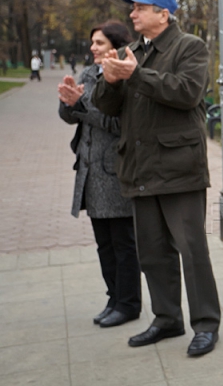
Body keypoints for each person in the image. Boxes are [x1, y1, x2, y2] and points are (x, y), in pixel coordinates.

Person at [92, 0, 222, 357]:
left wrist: (135, 75)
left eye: (140, 8)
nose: (132, 14)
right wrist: (111, 80)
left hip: (179, 167)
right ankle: (167, 318)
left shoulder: (190, 47)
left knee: (191, 250)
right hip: (140, 167)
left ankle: (206, 325)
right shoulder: (133, 52)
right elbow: (107, 106)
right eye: (132, 9)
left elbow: (187, 92)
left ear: (163, 14)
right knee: (151, 252)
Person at [58, 20, 142, 328]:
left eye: (100, 43)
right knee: (103, 244)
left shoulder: (125, 77)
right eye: (92, 42)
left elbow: (118, 124)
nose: (93, 47)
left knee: (123, 244)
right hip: (89, 172)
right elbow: (71, 116)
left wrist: (80, 105)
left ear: (117, 47)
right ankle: (114, 298)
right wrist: (68, 103)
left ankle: (129, 303)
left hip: (115, 172)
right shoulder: (88, 74)